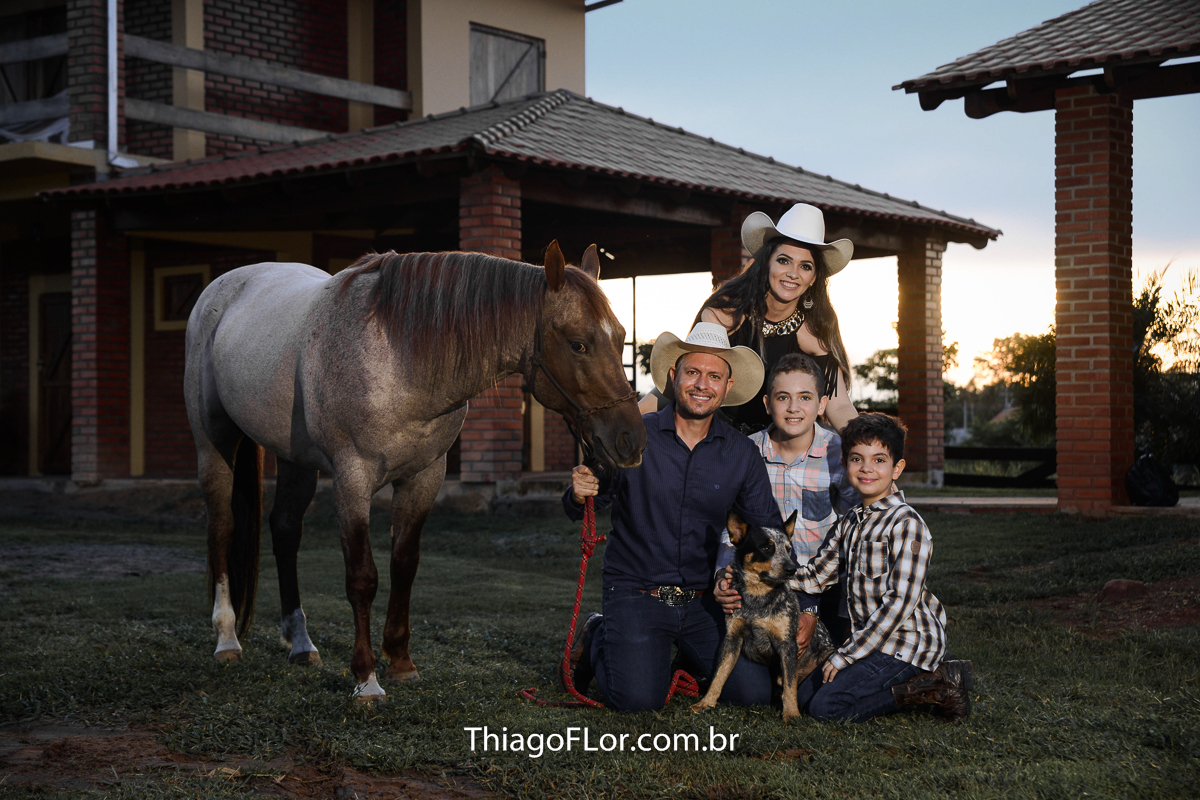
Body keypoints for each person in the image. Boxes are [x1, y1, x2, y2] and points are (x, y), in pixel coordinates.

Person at [562, 322, 782, 712]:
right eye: (692, 372)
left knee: (752, 694)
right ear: (673, 376)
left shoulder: (742, 453)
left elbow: (768, 530)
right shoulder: (635, 435)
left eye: (714, 376)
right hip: (637, 591)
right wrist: (579, 491)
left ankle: (681, 657)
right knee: (637, 701)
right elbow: (590, 499)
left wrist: (734, 576)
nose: (702, 385)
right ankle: (598, 634)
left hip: (705, 600)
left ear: (727, 387)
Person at [776, 412, 973, 723]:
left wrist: (844, 656)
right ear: (845, 464)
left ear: (897, 468)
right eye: (857, 459)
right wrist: (765, 578)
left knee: (825, 708)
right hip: (871, 643)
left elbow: (899, 604)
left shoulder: (906, 524)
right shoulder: (850, 522)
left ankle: (937, 686)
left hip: (906, 644)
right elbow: (815, 577)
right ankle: (914, 682)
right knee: (803, 697)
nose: (867, 468)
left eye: (879, 460)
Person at [639, 203, 858, 434]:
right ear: (766, 263)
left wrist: (864, 440)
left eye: (805, 266)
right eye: (784, 260)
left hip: (784, 444)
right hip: (719, 440)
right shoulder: (725, 313)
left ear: (813, 278)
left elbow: (839, 405)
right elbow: (687, 378)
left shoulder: (817, 331)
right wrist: (633, 416)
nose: (793, 273)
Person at [714, 353, 859, 658]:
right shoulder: (747, 451)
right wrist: (721, 575)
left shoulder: (839, 455)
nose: (794, 407)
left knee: (823, 678)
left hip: (823, 590)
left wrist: (817, 607)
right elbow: (731, 528)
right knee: (748, 674)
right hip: (763, 586)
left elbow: (854, 527)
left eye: (805, 397)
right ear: (768, 404)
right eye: (783, 398)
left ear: (822, 405)